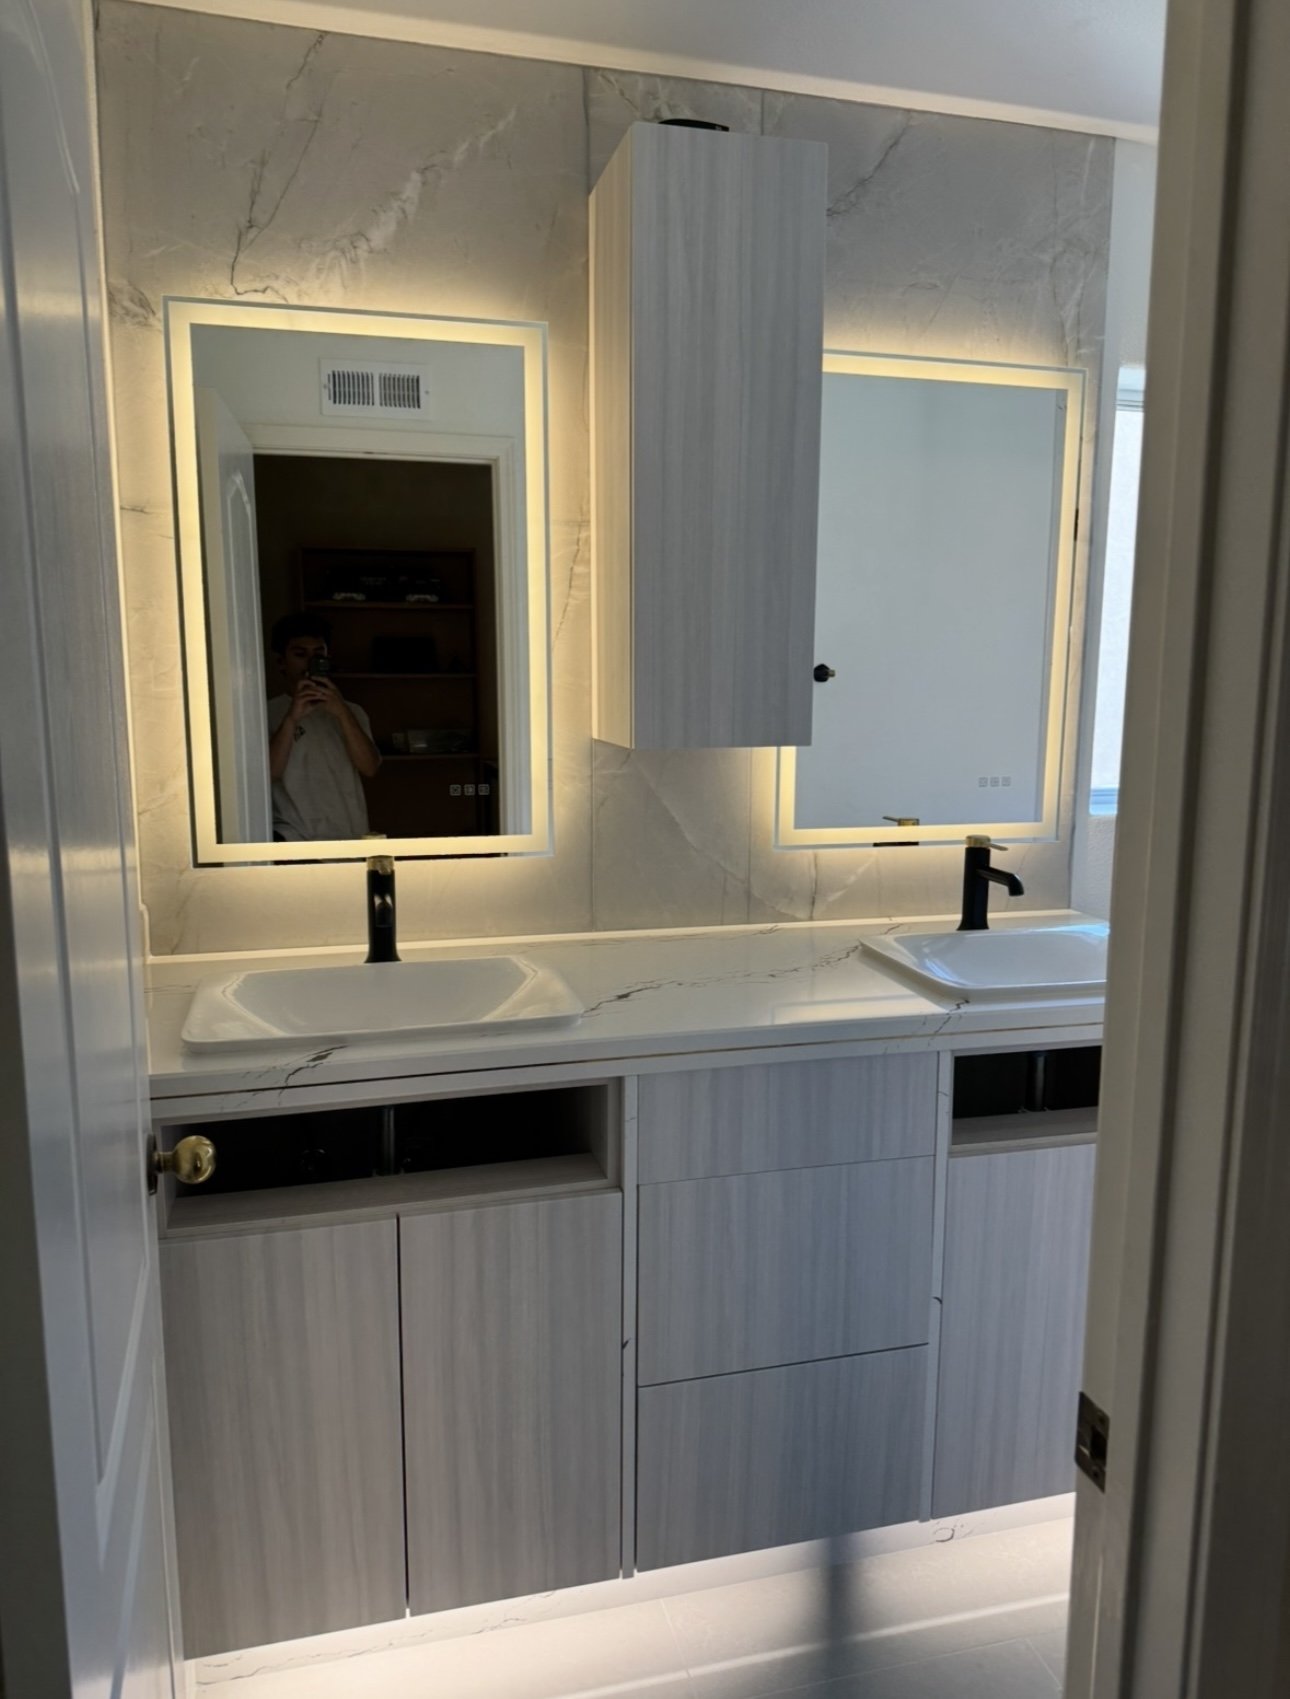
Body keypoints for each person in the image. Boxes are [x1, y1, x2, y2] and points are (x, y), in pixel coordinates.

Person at [266, 612, 381, 840]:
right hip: (294, 834)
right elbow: (268, 774)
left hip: (349, 832)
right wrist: (292, 718)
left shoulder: (352, 711)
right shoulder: (267, 712)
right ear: (281, 662)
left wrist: (341, 712)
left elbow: (370, 767)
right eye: (300, 654)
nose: (310, 662)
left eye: (318, 654)